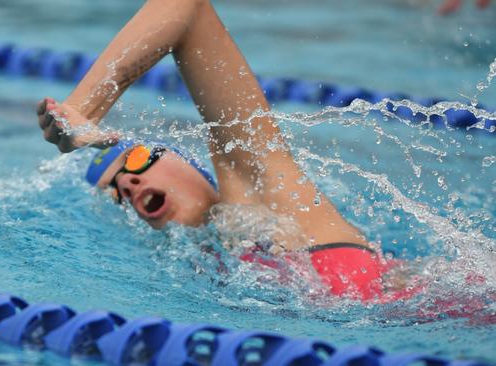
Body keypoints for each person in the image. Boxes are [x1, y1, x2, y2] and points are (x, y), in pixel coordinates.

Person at [36, 0, 417, 302]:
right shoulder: (216, 270)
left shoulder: (269, 193)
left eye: (136, 160)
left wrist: (83, 111)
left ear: (188, 162)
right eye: (117, 194)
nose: (130, 184)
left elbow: (187, 7)